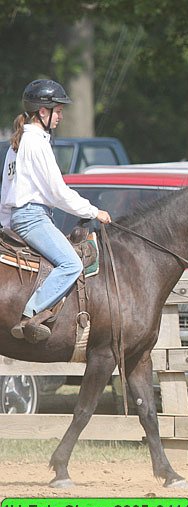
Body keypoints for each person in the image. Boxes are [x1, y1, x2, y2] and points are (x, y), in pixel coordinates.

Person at [1, 79, 112, 344]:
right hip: (33, 218)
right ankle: (31, 315)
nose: (61, 116)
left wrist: (5, 223)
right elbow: (57, 192)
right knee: (71, 263)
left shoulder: (17, 144)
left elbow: (7, 191)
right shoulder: (36, 143)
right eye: (58, 110)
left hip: (20, 217)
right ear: (43, 111)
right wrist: (94, 211)